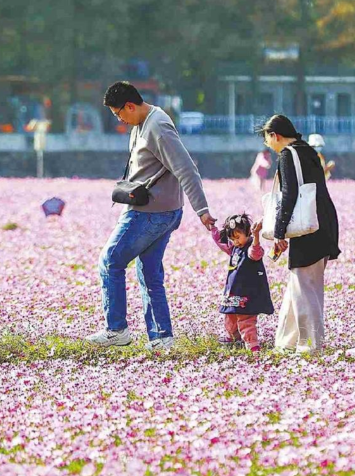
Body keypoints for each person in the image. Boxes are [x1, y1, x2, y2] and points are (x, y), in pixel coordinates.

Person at [86, 81, 217, 350]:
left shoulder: (158, 126)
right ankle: (161, 337)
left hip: (151, 213)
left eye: (118, 113)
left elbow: (187, 169)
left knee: (110, 261)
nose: (119, 119)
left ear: (130, 106)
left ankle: (116, 329)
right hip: (158, 210)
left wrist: (202, 211)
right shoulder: (142, 124)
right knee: (149, 273)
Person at [262, 115, 341, 353]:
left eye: (267, 139)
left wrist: (279, 233)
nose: (268, 145)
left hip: (309, 229)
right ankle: (286, 342)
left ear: (274, 135)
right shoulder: (307, 150)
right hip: (323, 224)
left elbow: (289, 196)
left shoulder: (288, 154)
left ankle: (311, 345)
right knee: (300, 286)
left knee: (305, 289)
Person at [211, 213, 274, 353]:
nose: (236, 242)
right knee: (230, 316)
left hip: (247, 294)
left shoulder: (251, 248)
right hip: (233, 292)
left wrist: (256, 235)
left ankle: (252, 344)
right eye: (232, 239)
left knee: (246, 320)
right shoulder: (235, 248)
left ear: (247, 233)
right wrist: (213, 229)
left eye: (238, 237)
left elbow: (255, 253)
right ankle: (233, 338)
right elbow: (221, 243)